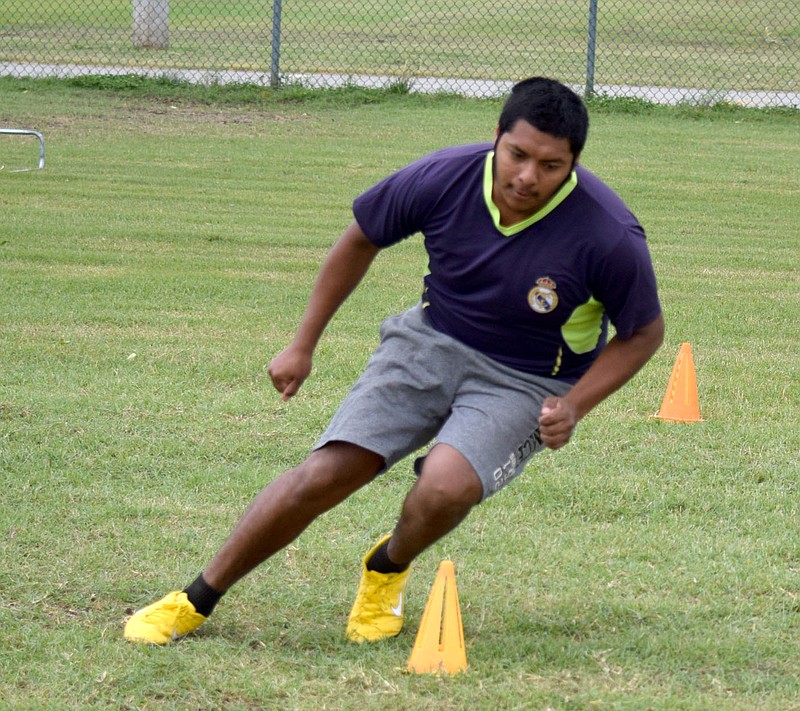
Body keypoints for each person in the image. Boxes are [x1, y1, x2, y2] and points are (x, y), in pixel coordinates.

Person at [124, 76, 664, 646]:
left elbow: (644, 332)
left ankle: (387, 566)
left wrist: (574, 405)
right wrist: (303, 343)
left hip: (526, 379)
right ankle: (195, 599)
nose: (528, 177)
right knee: (324, 474)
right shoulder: (445, 176)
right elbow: (361, 238)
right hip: (429, 341)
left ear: (574, 163)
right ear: (496, 138)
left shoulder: (608, 234)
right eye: (518, 155)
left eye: (551, 166)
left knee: (444, 488)